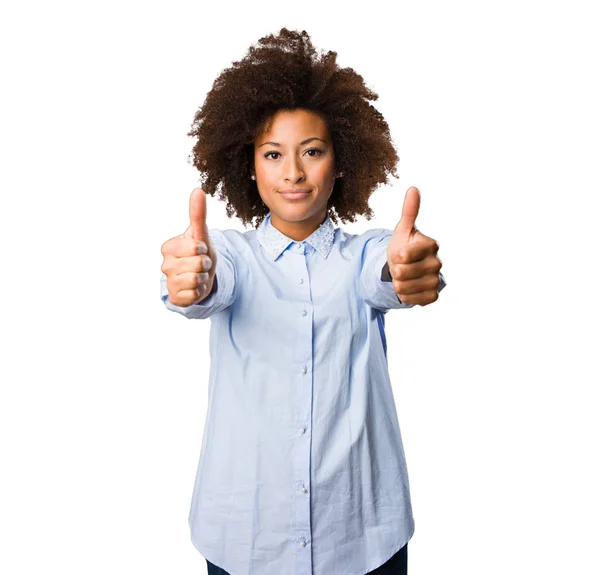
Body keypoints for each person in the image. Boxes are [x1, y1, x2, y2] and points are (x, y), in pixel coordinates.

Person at [160, 28, 446, 575]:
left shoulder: (365, 254)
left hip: (362, 537)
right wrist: (191, 281)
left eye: (312, 152)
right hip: (245, 537)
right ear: (249, 165)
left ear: (341, 162)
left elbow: (386, 274)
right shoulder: (230, 256)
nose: (292, 172)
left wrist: (406, 272)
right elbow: (204, 284)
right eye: (273, 154)